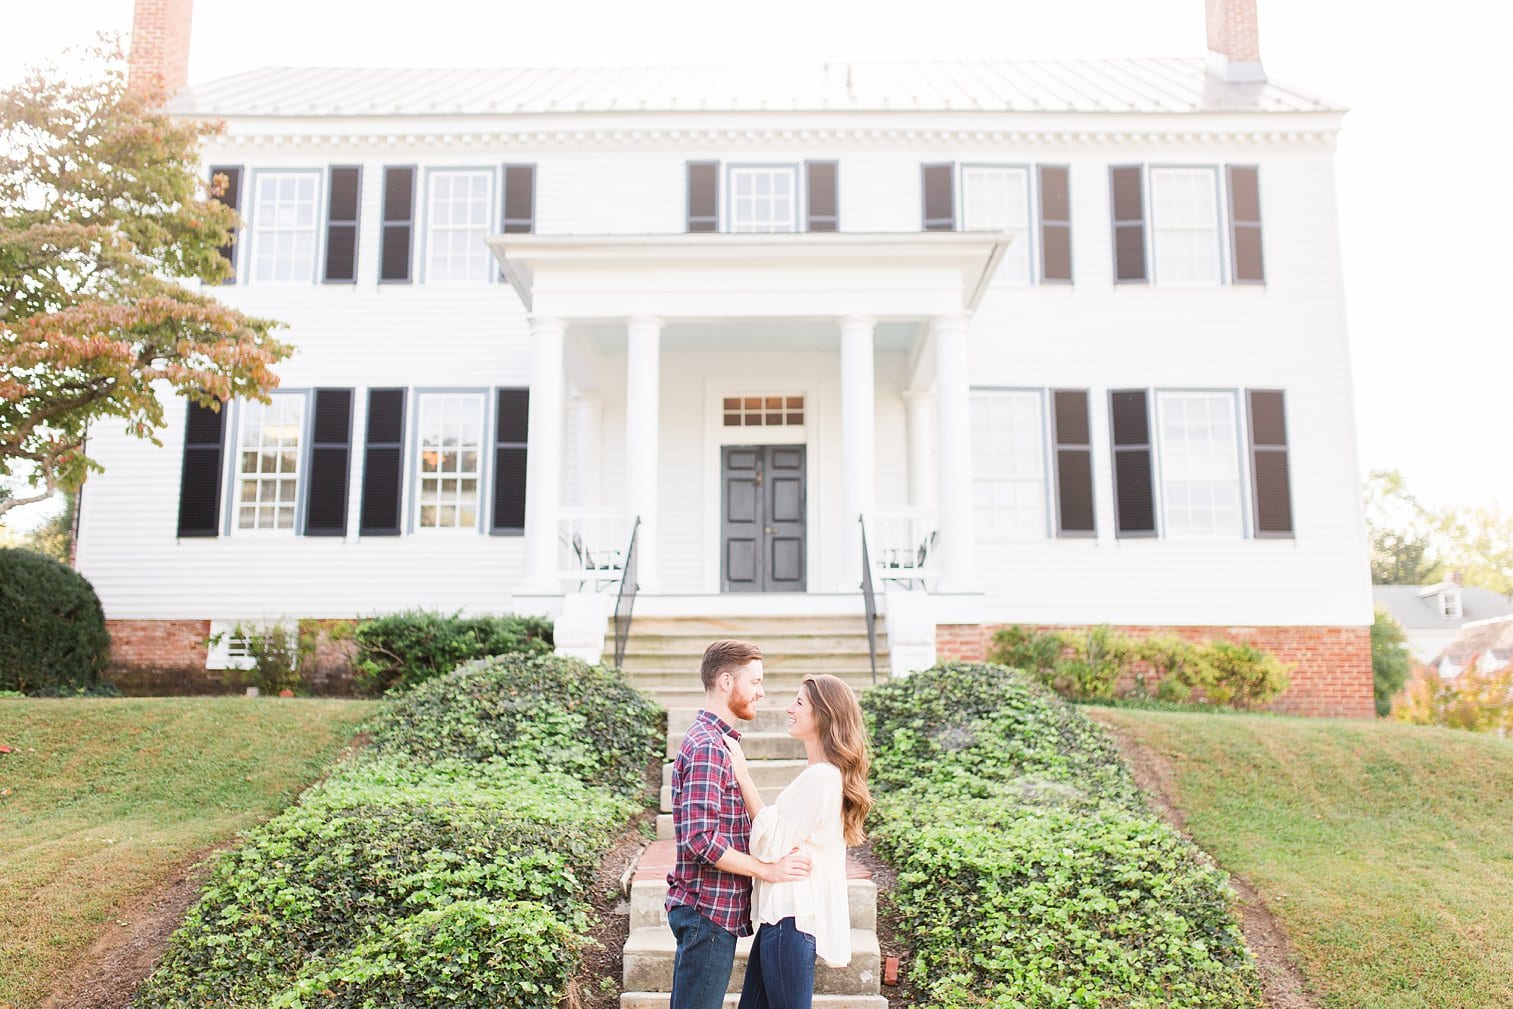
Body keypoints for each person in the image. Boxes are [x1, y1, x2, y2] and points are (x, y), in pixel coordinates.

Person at [666, 639, 813, 1009]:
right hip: (706, 910)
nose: (762, 693)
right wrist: (768, 870)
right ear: (727, 683)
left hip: (713, 910)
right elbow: (700, 842)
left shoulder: (720, 743)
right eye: (755, 682)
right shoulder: (707, 748)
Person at [725, 673, 873, 1009]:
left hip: (792, 919)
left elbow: (770, 843)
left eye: (800, 702)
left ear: (823, 714)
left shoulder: (822, 777)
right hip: (782, 921)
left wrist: (743, 776)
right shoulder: (820, 774)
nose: (790, 708)